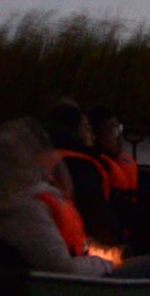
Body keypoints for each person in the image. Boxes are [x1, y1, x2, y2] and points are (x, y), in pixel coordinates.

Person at [0, 117, 150, 278]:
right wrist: (105, 263)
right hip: (67, 289)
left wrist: (106, 253)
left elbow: (63, 246)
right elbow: (63, 268)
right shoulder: (25, 207)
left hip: (55, 279)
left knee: (127, 254)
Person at [42, 98, 123, 248]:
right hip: (83, 251)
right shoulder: (81, 167)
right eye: (87, 129)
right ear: (73, 131)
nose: (92, 136)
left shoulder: (38, 160)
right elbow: (99, 219)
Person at [86, 104, 138, 240]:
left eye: (119, 129)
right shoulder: (93, 170)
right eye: (113, 131)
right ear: (95, 136)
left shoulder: (124, 161)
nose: (119, 136)